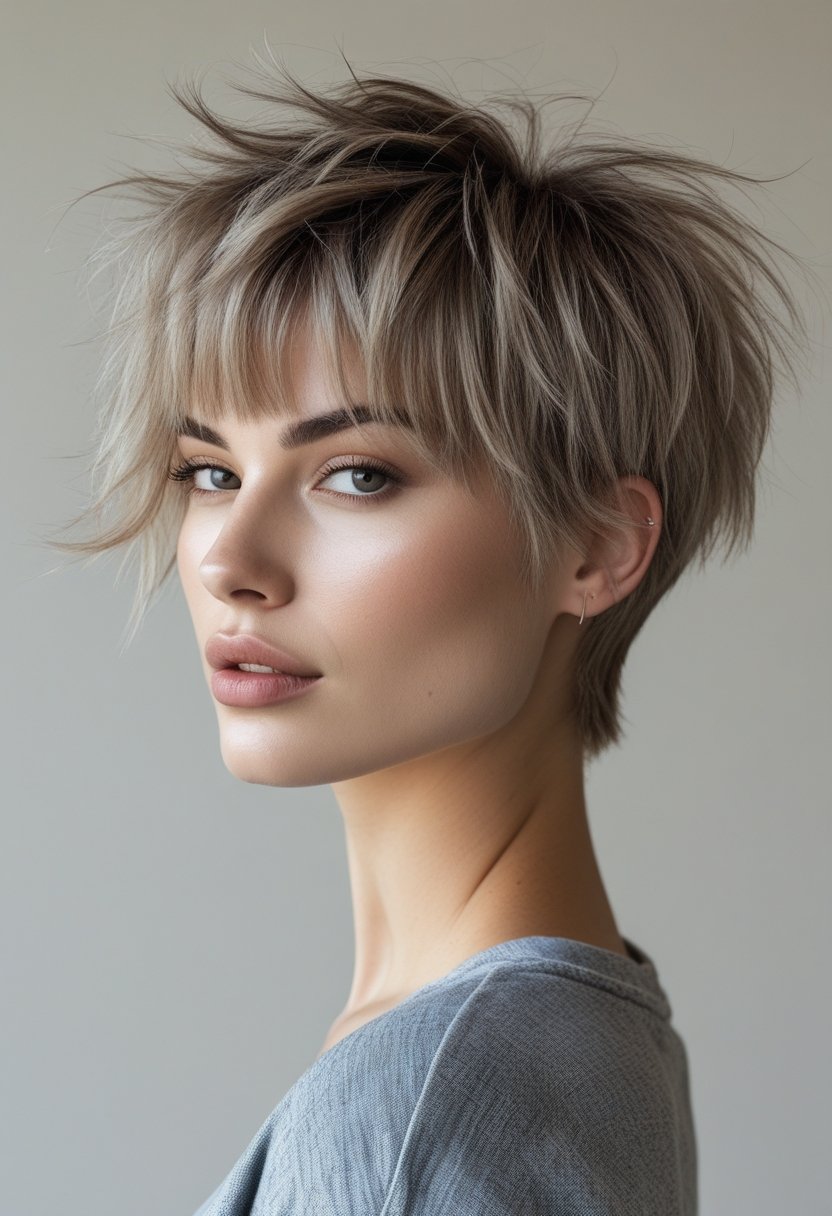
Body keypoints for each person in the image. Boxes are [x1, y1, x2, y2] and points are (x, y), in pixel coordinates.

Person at [49, 51, 812, 1215]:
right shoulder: (570, 1035)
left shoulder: (434, 1096)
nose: (225, 560)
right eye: (208, 468)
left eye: (356, 474)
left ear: (598, 545)